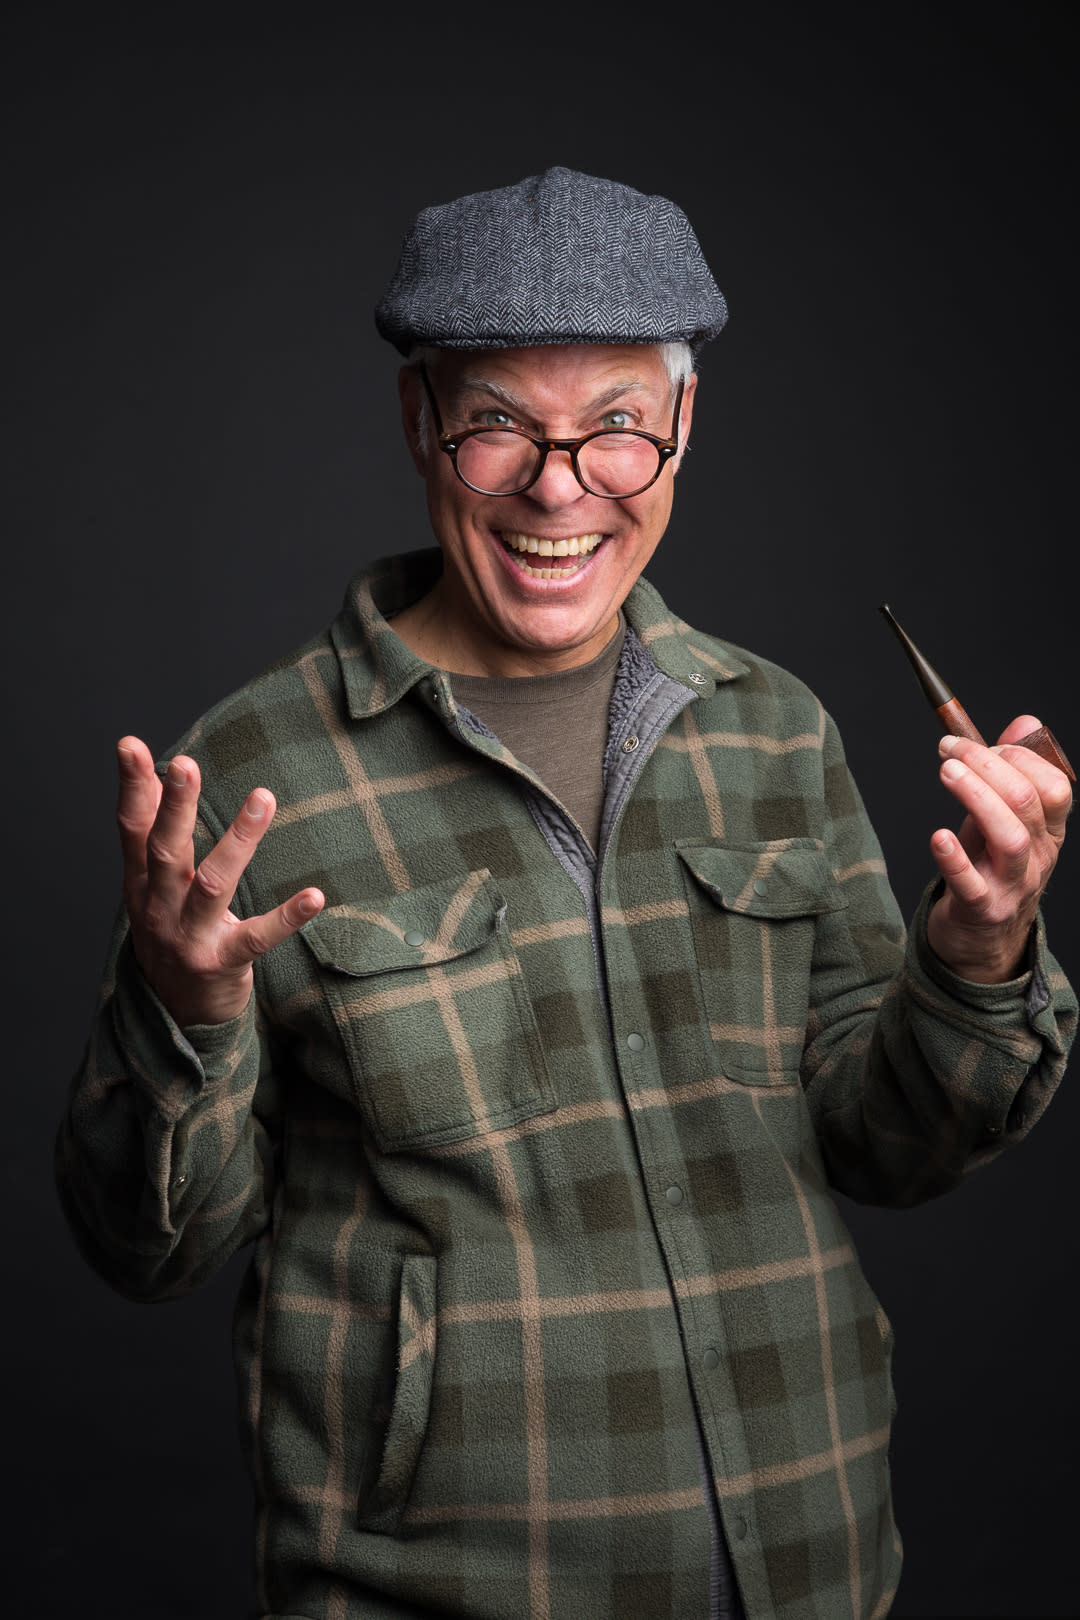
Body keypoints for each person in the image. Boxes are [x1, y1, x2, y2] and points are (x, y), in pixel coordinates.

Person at [57, 167, 1075, 1620]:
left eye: (616, 432)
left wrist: (983, 951)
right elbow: (143, 1247)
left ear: (682, 431)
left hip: (817, 1560)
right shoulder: (254, 772)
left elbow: (886, 1140)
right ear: (419, 424)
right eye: (497, 430)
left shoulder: (775, 730)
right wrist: (181, 1010)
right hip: (441, 1592)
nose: (560, 490)